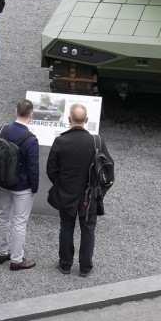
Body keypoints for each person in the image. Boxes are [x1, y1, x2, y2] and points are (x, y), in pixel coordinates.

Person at [46, 103, 113, 276]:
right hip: (89, 195)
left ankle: (65, 264)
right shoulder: (96, 141)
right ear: (87, 120)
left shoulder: (60, 141)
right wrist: (100, 191)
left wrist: (61, 184)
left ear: (69, 120)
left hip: (66, 192)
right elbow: (108, 168)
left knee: (66, 227)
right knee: (88, 229)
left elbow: (51, 170)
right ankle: (85, 267)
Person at [0, 99, 40, 271]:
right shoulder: (31, 139)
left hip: (4, 181)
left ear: (16, 111)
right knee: (19, 222)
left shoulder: (2, 130)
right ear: (31, 115)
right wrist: (34, 188)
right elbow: (33, 168)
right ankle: (17, 259)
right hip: (22, 186)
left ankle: (1, 252)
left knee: (3, 215)